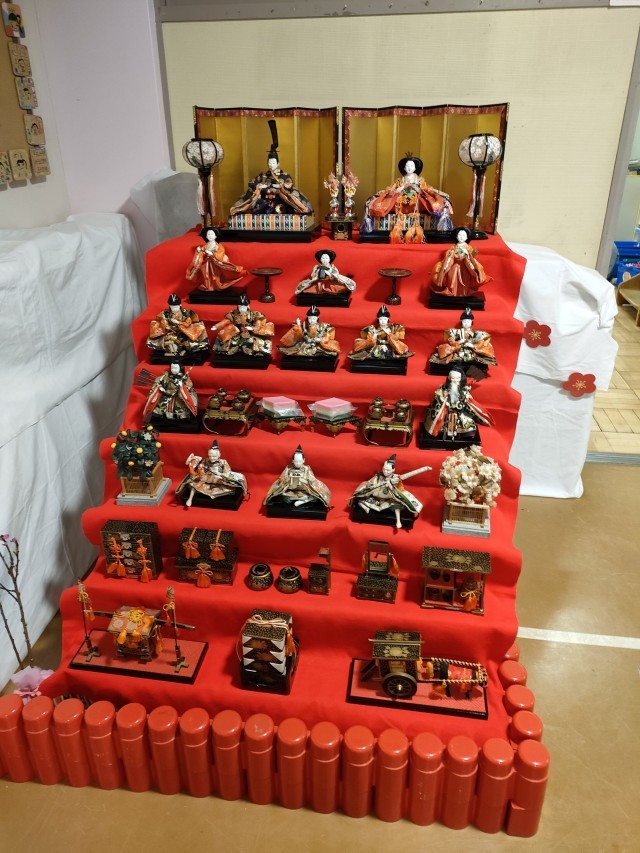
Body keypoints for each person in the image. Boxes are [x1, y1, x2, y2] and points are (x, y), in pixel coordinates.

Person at [229, 121, 313, 217]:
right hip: (263, 203)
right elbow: (252, 183)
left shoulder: (284, 175)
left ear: (278, 163)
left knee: (291, 197)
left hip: (281, 203)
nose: (271, 165)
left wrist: (281, 187)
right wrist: (259, 186)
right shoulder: (263, 176)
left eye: (273, 163)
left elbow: (289, 185)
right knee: (253, 201)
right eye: (269, 162)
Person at [362, 155, 453, 239]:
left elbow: (427, 189)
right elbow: (392, 189)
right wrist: (399, 189)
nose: (409, 168)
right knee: (384, 201)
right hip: (401, 201)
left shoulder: (420, 180)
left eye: (411, 166)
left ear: (415, 168)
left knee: (433, 202)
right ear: (404, 168)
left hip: (417, 201)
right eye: (407, 166)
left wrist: (418, 189)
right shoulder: (399, 181)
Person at [350, 455, 430, 528]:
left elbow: (407, 475)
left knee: (396, 505)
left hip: (389, 497)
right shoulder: (378, 476)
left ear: (393, 470)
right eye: (384, 469)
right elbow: (369, 482)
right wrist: (370, 486)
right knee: (359, 497)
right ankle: (364, 506)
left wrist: (424, 469)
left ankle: (398, 521)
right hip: (376, 495)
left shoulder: (395, 478)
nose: (385, 471)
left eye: (388, 470)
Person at [423, 369, 493, 440]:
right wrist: (443, 399)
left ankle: (463, 435)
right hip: (446, 413)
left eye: (457, 378)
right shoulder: (443, 389)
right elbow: (437, 398)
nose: (455, 380)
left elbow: (469, 400)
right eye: (453, 378)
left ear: (460, 378)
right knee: (440, 424)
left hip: (461, 413)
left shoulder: (463, 389)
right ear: (449, 378)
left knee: (468, 425)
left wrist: (466, 398)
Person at [175, 440, 247, 508]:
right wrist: (201, 467)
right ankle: (190, 498)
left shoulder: (223, 462)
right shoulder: (206, 460)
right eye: (210, 456)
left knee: (231, 486)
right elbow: (201, 466)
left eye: (214, 456)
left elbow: (227, 472)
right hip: (207, 478)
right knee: (195, 484)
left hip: (218, 479)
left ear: (219, 455)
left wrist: (220, 474)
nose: (212, 458)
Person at [429, 307, 497, 371]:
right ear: (461, 322)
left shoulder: (476, 333)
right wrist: (458, 342)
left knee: (472, 357)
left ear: (471, 322)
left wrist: (472, 345)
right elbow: (450, 340)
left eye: (468, 322)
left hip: (470, 351)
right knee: (450, 353)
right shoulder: (456, 332)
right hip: (459, 350)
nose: (466, 324)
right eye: (464, 322)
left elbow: (482, 342)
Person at [431, 228, 491, 298]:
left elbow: (472, 259)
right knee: (451, 279)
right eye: (459, 235)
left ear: (467, 237)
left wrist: (467, 254)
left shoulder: (470, 248)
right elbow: (448, 258)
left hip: (465, 267)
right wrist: (450, 256)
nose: (461, 237)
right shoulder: (453, 248)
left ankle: (464, 293)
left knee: (465, 281)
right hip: (454, 267)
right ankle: (452, 292)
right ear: (456, 237)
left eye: (463, 235)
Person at [264, 446, 331, 508]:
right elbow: (282, 478)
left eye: (300, 461)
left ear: (304, 460)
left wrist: (305, 481)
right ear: (292, 460)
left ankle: (303, 500)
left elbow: (312, 479)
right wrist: (288, 480)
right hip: (291, 490)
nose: (298, 463)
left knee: (317, 496)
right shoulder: (288, 468)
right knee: (283, 497)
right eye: (296, 461)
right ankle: (304, 500)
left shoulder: (307, 468)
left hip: (304, 490)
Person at [186, 227, 247, 292]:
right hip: (206, 263)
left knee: (215, 276)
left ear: (215, 236)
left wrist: (212, 254)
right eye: (208, 234)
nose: (210, 236)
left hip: (215, 264)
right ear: (206, 236)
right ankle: (207, 286)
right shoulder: (205, 245)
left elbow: (220, 255)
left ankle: (215, 286)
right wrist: (200, 251)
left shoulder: (218, 246)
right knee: (206, 276)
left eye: (212, 234)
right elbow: (203, 253)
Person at [147, 293, 208, 358]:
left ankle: (183, 348)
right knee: (167, 340)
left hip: (184, 332)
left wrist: (178, 322)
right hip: (171, 332)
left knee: (190, 341)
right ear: (169, 306)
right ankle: (172, 349)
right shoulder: (165, 313)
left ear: (180, 305)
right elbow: (161, 321)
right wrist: (166, 325)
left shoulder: (187, 313)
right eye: (172, 307)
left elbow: (188, 323)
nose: (174, 309)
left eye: (176, 307)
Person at [348, 305, 414, 362]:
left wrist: (389, 334)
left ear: (388, 319)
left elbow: (396, 339)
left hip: (389, 347)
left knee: (395, 354)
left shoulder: (393, 328)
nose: (383, 321)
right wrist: (374, 335)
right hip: (376, 346)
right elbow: (370, 340)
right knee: (368, 353)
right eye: (381, 319)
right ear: (378, 320)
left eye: (384, 319)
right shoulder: (373, 329)